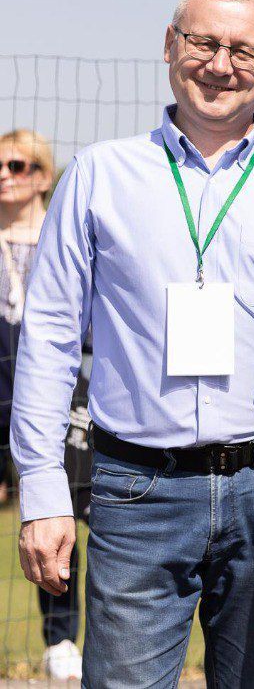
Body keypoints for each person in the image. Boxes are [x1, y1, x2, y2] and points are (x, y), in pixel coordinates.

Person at [9, 0, 254, 687]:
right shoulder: (99, 174)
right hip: (137, 488)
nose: (221, 65)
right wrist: (42, 490)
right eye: (203, 42)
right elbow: (48, 335)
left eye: (244, 51)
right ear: (170, 45)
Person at [0, 130, 89, 679]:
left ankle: (63, 638)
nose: (6, 174)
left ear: (44, 175)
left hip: (63, 400)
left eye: (18, 163)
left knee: (68, 513)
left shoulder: (67, 239)